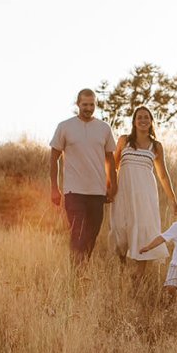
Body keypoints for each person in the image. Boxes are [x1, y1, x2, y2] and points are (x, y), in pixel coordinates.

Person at [109, 105, 177, 279]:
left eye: (146, 117)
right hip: (124, 190)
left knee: (144, 229)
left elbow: (163, 175)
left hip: (145, 193)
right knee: (120, 227)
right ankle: (122, 264)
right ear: (134, 121)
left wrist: (173, 199)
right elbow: (113, 166)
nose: (143, 120)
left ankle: (138, 275)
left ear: (151, 121)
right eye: (139, 117)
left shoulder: (156, 146)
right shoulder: (124, 140)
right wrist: (109, 187)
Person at [50, 89, 117, 264]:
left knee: (92, 234)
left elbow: (110, 159)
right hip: (74, 191)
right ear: (78, 104)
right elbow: (53, 158)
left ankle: (82, 268)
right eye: (85, 104)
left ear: (96, 104)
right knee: (77, 232)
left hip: (97, 191)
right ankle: (76, 272)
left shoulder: (104, 128)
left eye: (91, 104)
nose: (88, 108)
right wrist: (54, 188)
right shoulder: (65, 126)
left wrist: (112, 186)